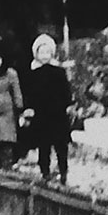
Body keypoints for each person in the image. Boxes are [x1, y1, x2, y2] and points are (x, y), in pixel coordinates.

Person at [21, 34, 73, 185]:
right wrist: (29, 108)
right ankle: (45, 172)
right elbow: (29, 94)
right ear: (36, 54)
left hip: (57, 114)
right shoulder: (33, 73)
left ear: (52, 53)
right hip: (41, 115)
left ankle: (63, 171)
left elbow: (65, 91)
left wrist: (67, 105)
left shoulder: (59, 72)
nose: (44, 56)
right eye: (41, 52)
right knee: (43, 146)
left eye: (47, 52)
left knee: (61, 145)